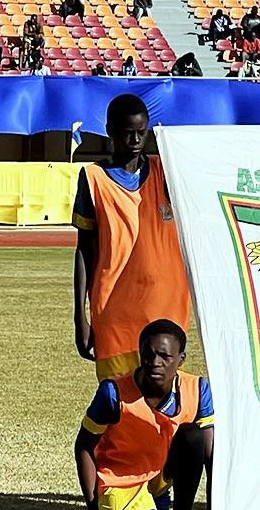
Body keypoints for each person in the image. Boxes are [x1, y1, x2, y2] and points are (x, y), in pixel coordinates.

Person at [72, 93, 192, 387]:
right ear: (111, 132)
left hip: (166, 307)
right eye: (128, 134)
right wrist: (80, 317)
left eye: (142, 132)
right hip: (114, 310)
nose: (137, 140)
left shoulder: (166, 172)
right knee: (118, 402)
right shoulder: (93, 178)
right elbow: (84, 250)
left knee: (164, 397)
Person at [73, 319, 211, 510]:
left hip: (160, 474)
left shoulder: (198, 389)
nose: (155, 363)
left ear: (181, 359)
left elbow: (210, 455)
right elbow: (83, 447)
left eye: (164, 356)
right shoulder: (113, 393)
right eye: (148, 354)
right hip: (120, 481)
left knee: (194, 437)